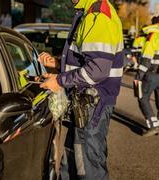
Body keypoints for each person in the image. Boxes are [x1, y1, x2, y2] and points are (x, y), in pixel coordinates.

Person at [39, 0, 124, 179]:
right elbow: (85, 61)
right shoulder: (88, 12)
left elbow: (97, 71)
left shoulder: (97, 15)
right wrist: (58, 65)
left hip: (92, 104)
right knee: (72, 162)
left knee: (87, 168)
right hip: (86, 103)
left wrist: (60, 81)